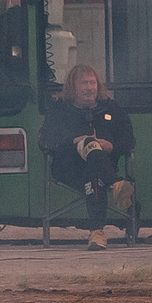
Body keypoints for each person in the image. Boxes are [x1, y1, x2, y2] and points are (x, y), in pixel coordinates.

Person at [39, 63, 138, 249]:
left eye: (93, 83)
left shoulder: (112, 109)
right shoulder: (59, 110)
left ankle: (97, 233)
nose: (90, 88)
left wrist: (111, 146)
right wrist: (75, 141)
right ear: (72, 87)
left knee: (94, 176)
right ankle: (116, 183)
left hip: (100, 167)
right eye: (84, 83)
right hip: (69, 169)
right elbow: (45, 140)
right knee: (89, 150)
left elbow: (129, 141)